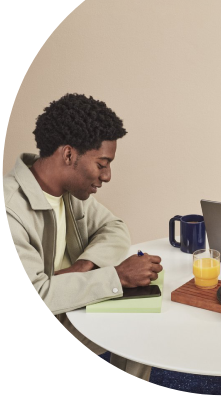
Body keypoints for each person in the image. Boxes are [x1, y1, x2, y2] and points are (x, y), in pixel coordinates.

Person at [3, 93, 163, 381]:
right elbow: (40, 293)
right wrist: (117, 276)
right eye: (102, 164)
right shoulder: (11, 208)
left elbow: (114, 228)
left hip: (74, 300)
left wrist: (83, 266)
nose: (108, 176)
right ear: (68, 155)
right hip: (56, 310)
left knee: (145, 312)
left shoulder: (70, 192)